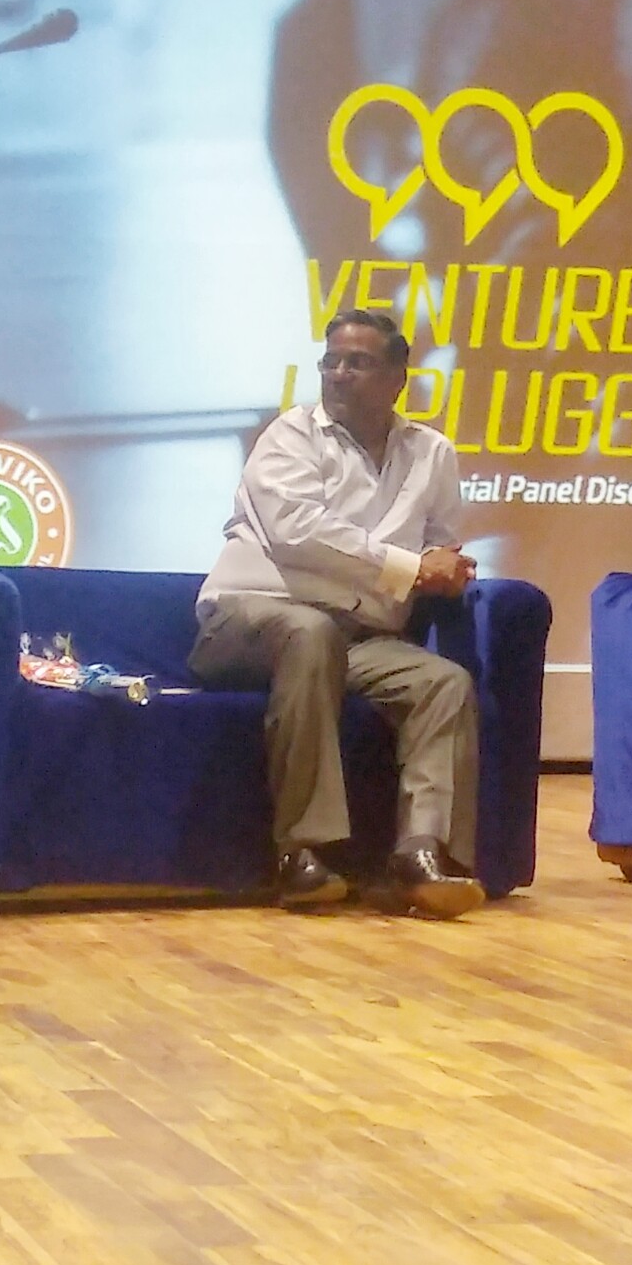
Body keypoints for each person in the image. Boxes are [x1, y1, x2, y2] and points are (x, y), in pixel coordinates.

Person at [192, 308, 487, 917]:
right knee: (310, 632)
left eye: (359, 362)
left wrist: (448, 568)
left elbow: (439, 545)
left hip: (358, 635)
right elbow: (299, 534)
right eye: (331, 362)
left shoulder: (431, 452)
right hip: (250, 616)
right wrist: (410, 568)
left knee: (443, 682)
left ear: (398, 378)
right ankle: (301, 852)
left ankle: (420, 854)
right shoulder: (291, 436)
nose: (339, 374)